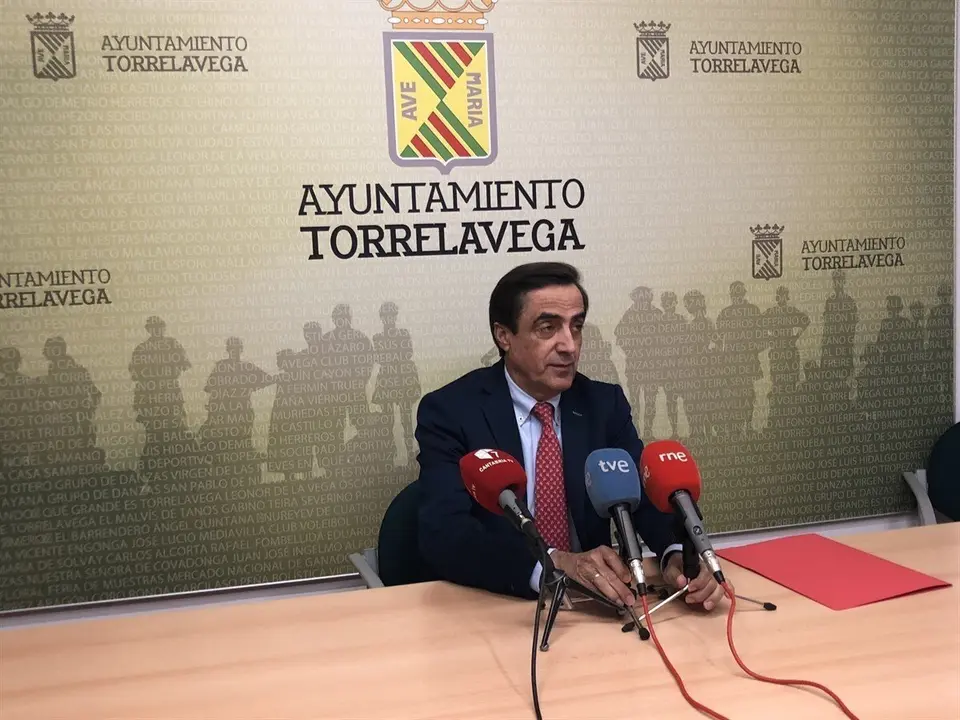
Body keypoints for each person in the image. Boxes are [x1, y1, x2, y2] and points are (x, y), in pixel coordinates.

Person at [415, 262, 724, 611]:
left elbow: (645, 499)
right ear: (504, 336)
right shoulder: (452, 412)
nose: (569, 346)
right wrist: (553, 562)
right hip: (501, 604)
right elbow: (445, 534)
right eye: (548, 328)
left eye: (576, 327)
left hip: (598, 604)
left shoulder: (603, 405)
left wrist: (677, 554)